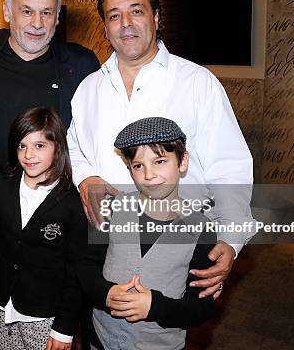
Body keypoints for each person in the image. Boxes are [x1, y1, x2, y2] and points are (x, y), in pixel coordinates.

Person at [67, 0, 255, 299]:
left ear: (155, 17)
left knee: (161, 331)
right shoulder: (88, 89)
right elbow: (74, 146)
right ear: (105, 27)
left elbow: (230, 167)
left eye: (136, 11)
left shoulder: (197, 83)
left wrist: (230, 239)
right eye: (114, 15)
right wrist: (87, 178)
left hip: (178, 243)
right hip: (106, 246)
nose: (125, 23)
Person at [0, 0, 99, 349]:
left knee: (54, 316)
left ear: (58, 16)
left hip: (49, 217)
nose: (37, 24)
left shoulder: (80, 64)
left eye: (47, 13)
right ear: (6, 10)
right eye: (26, 11)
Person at [79, 117, 216, 350]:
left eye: (160, 161)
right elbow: (85, 266)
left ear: (182, 162)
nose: (149, 175)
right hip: (100, 339)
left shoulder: (202, 230)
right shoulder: (110, 209)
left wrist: (155, 307)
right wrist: (105, 293)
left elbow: (201, 308)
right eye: (138, 165)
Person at [0, 107, 87, 350]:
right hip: (5, 305)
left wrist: (65, 328)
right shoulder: (2, 182)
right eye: (22, 146)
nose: (28, 155)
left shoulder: (71, 200)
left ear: (57, 147)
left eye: (39, 146)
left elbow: (77, 269)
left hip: (47, 315)